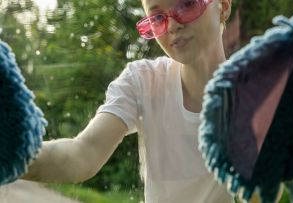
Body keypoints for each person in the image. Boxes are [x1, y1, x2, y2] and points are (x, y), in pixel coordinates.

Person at [22, 0, 242, 202]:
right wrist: (11, 155)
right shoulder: (144, 81)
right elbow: (82, 155)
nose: (173, 25)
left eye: (187, 4)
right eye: (157, 18)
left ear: (222, 6)